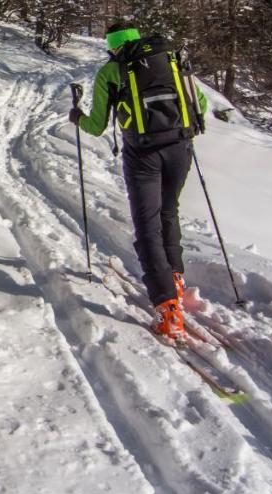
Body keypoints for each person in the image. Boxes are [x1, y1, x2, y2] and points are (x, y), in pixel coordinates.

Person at [68, 21, 208, 340]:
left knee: (147, 223)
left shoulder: (111, 71)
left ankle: (166, 306)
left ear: (113, 46)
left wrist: (76, 115)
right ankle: (175, 277)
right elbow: (200, 103)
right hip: (180, 148)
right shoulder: (169, 58)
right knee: (168, 211)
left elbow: (96, 126)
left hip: (143, 154)